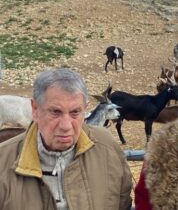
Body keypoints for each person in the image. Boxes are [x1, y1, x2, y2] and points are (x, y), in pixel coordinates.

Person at [0, 68, 133, 210]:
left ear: (85, 109)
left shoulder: (108, 149)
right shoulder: (3, 161)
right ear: (35, 110)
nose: (66, 126)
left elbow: (123, 203)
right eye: (55, 112)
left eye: (75, 112)